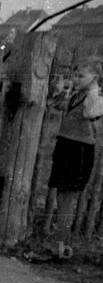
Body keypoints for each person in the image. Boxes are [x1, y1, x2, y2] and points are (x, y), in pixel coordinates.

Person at [47, 56, 103, 248]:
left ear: (95, 77)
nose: (77, 79)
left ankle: (60, 245)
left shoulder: (95, 97)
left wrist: (93, 91)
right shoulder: (77, 95)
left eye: (81, 76)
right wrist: (59, 92)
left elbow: (90, 113)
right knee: (61, 196)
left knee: (68, 198)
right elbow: (56, 106)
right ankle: (58, 242)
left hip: (78, 150)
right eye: (76, 75)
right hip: (66, 144)